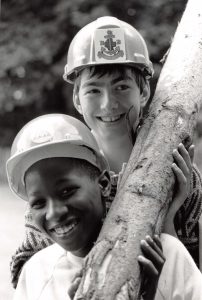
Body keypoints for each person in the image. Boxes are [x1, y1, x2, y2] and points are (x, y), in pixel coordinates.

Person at [10, 17, 202, 286]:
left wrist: (167, 217)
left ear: (144, 91)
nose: (108, 103)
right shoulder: (57, 168)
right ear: (77, 98)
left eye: (122, 87)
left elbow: (192, 274)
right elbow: (26, 271)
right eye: (93, 90)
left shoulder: (179, 171)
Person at [7, 114, 202, 300]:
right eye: (39, 203)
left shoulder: (165, 255)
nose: (54, 212)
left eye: (67, 191)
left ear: (104, 184)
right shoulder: (35, 273)